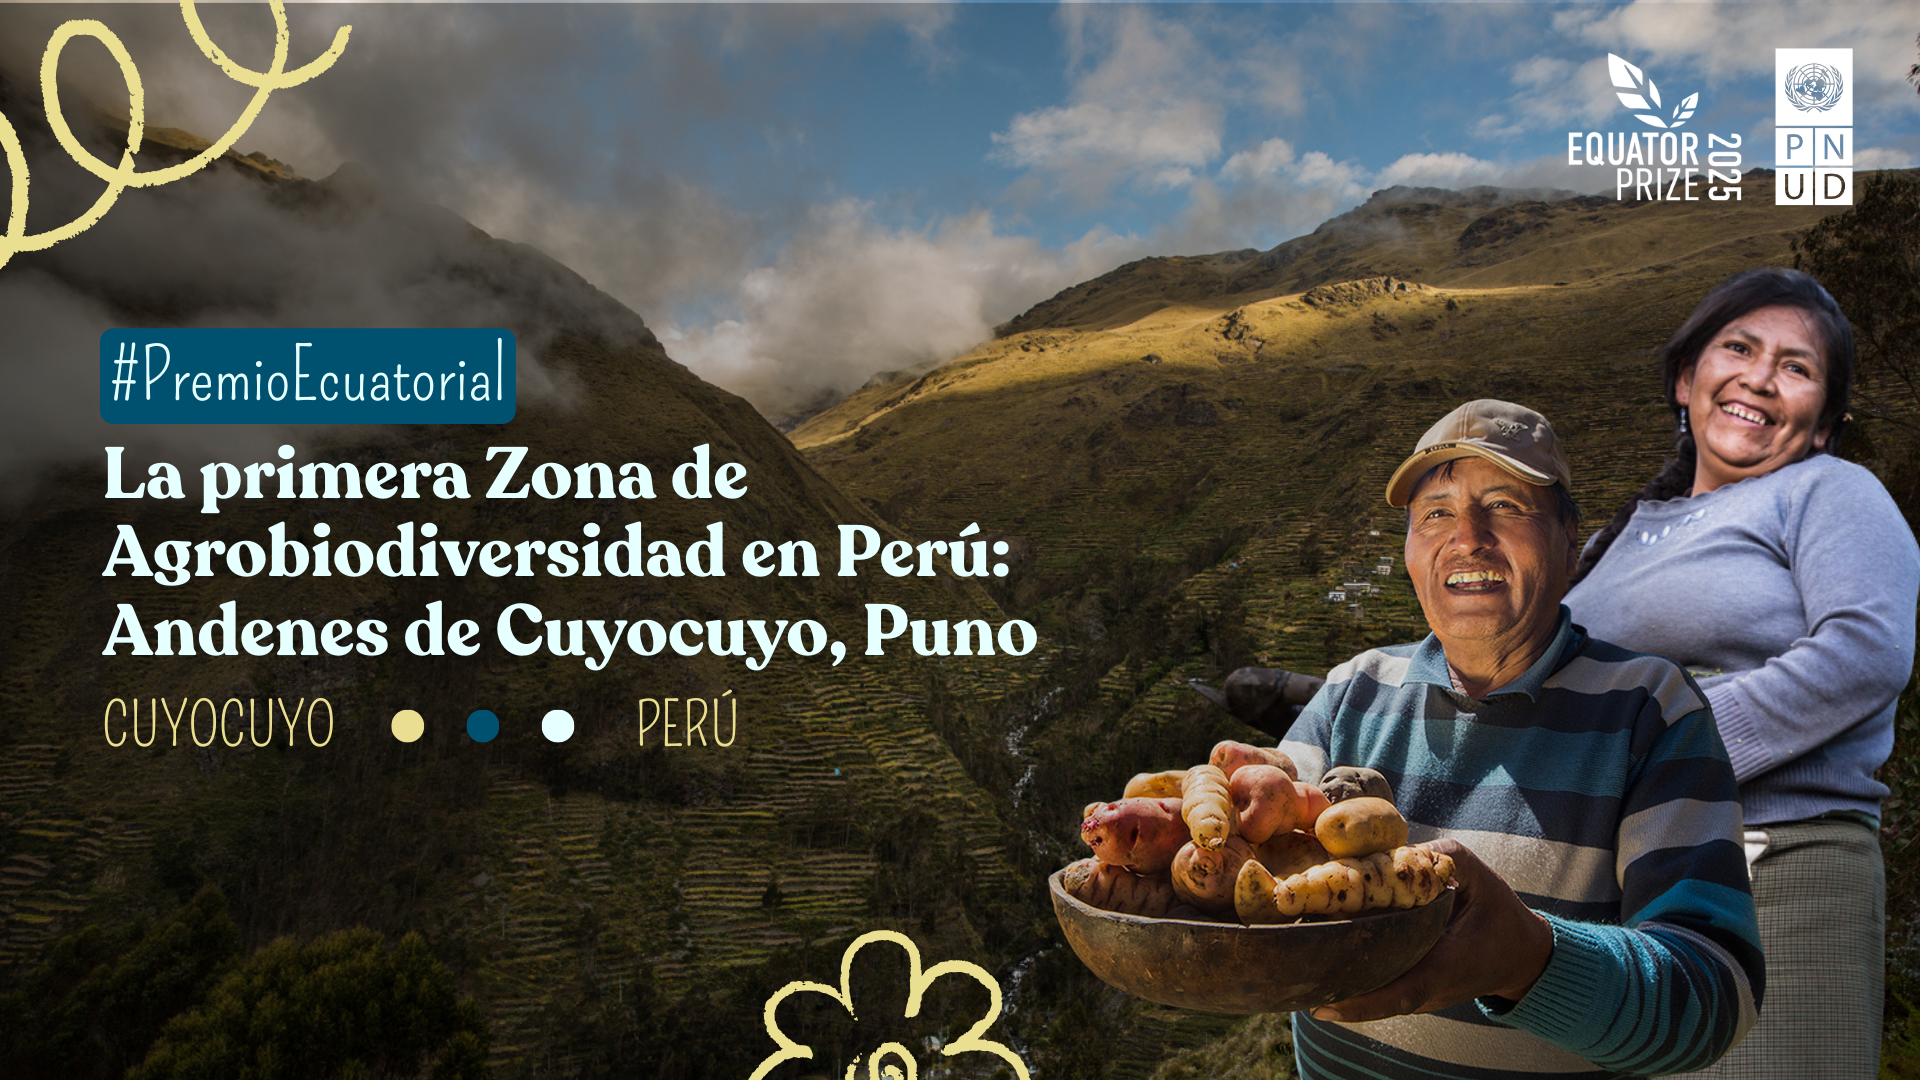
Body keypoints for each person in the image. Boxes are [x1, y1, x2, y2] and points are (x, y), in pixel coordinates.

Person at [1280, 398, 1763, 1079]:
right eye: (1436, 513)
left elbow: (1717, 998)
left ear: (1571, 541)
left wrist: (1531, 959)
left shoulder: (1651, 711)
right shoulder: (1352, 690)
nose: (1468, 536)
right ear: (1411, 553)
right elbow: (1258, 848)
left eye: (1504, 505)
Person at [1564, 267, 1919, 1078]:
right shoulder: (1616, 539)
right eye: (1740, 347)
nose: (1760, 376)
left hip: (1777, 870)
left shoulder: (1829, 491)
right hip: (1621, 891)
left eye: (1796, 367)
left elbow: (1866, 650)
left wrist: (1670, 750)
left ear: (1822, 423)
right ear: (1688, 378)